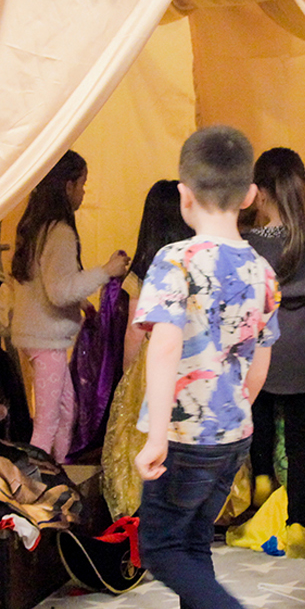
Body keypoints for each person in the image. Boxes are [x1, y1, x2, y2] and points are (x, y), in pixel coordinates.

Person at [133, 126, 291, 609]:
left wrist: (155, 435)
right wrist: (238, 405)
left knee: (160, 549)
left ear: (184, 195)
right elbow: (262, 357)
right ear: (250, 195)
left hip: (182, 433)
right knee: (193, 547)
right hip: (232, 432)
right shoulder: (262, 270)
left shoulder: (174, 260)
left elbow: (164, 347)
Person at [242, 147, 305, 557]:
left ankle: (262, 477)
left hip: (264, 350)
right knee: (302, 443)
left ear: (260, 193)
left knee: (259, 420)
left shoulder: (247, 242)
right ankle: (297, 524)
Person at [8, 151, 129, 461]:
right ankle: (38, 479)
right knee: (47, 424)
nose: (84, 192)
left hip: (36, 337)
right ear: (68, 186)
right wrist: (106, 271)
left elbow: (44, 283)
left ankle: (60, 468)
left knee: (66, 411)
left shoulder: (37, 227)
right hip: (47, 342)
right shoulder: (59, 232)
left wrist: (82, 302)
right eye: (82, 184)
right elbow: (60, 291)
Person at [100, 180, 191, 519]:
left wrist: (128, 373)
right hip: (191, 360)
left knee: (143, 436)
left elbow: (136, 328)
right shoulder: (194, 264)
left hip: (152, 363)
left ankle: (145, 505)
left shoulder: (143, 272)